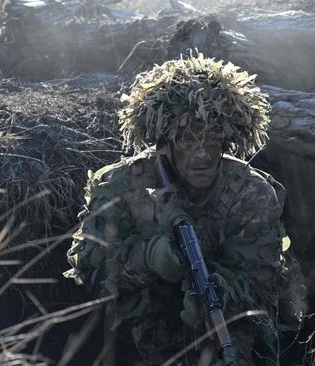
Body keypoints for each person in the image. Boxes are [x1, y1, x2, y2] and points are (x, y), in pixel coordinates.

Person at [64, 54, 299, 365]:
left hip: (227, 322)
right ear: (165, 143)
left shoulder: (250, 193)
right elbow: (90, 270)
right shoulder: (120, 185)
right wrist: (149, 258)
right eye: (188, 140)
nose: (202, 154)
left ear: (226, 141)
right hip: (139, 328)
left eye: (212, 139)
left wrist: (220, 292)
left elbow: (260, 285)